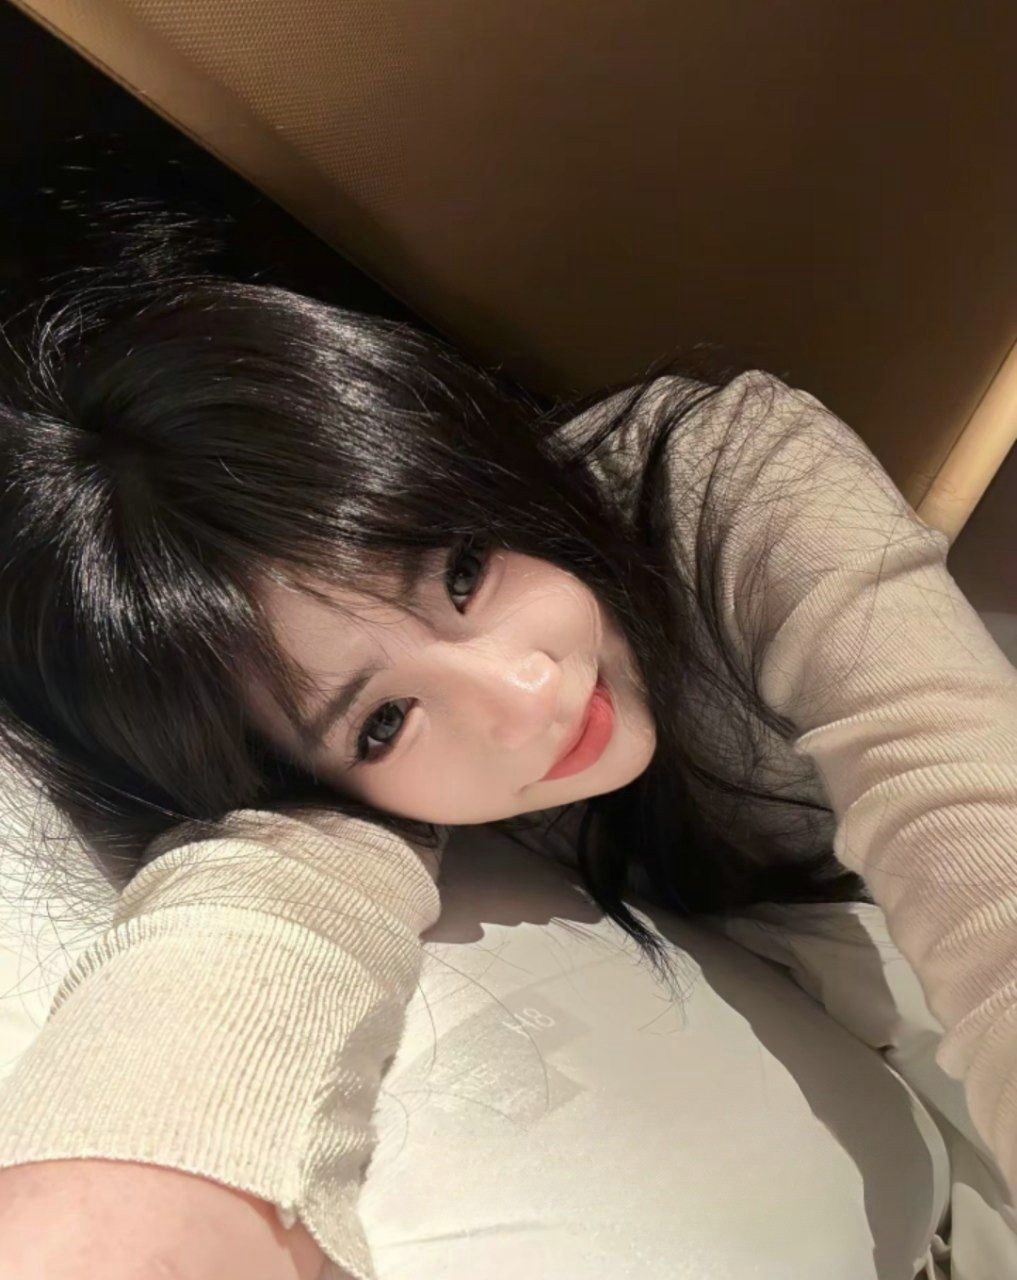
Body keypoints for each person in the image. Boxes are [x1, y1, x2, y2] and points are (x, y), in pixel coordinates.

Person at [0, 265, 1014, 1280]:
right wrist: (142, 1189)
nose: (525, 696)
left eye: (464, 572)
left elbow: (957, 801)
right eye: (384, 718)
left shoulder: (729, 479)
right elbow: (272, 904)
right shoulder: (338, 797)